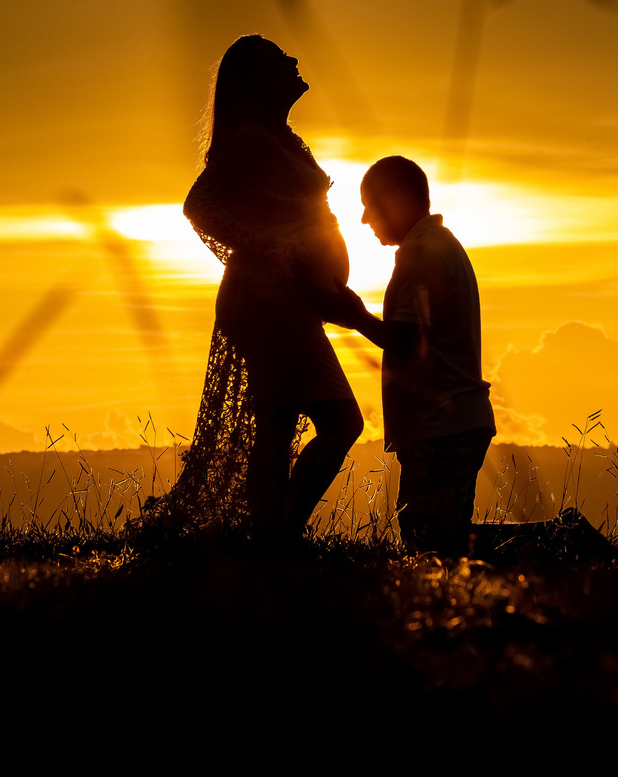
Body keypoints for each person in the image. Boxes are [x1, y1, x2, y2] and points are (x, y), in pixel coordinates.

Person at [146, 35, 362, 540]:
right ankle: (279, 534)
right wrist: (268, 250)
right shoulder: (250, 140)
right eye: (279, 59)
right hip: (267, 302)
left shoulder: (281, 137)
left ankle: (269, 536)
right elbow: (199, 205)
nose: (293, 60)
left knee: (279, 421)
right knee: (340, 421)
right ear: (258, 80)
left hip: (286, 300)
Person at [324, 156, 495, 555]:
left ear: (397, 199)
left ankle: (562, 542)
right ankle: (559, 543)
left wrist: (355, 316)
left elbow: (405, 340)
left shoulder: (423, 256)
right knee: (438, 538)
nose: (365, 219)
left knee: (430, 544)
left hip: (442, 429)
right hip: (449, 425)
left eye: (371, 204)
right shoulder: (439, 246)